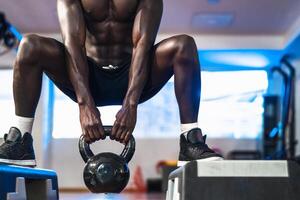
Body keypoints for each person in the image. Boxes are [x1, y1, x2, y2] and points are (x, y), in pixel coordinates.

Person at [0, 0, 222, 167]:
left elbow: (142, 44)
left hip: (134, 77)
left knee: (184, 45)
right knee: (29, 45)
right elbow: (73, 43)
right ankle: (21, 140)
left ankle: (190, 140)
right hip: (87, 76)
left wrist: (131, 104)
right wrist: (84, 104)